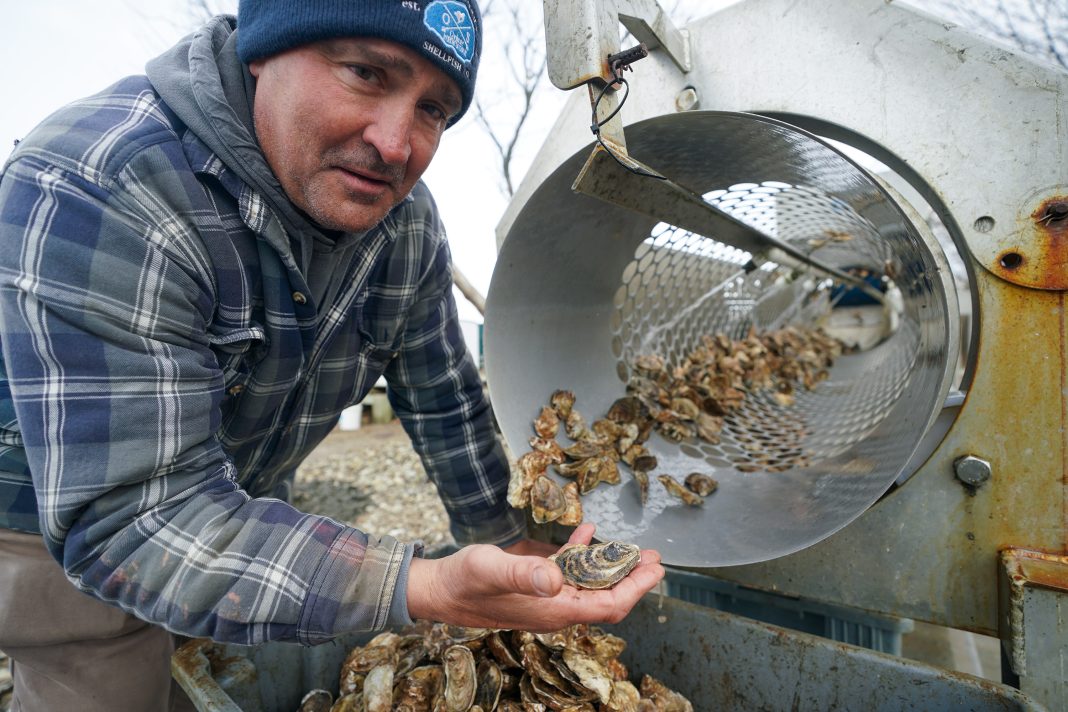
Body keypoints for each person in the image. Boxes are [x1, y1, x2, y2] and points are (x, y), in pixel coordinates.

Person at [0, 1, 665, 709]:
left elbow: (444, 399)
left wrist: (510, 555)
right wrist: (429, 585)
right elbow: (135, 521)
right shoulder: (103, 179)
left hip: (238, 500)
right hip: (50, 527)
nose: (396, 143)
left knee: (220, 673)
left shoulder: (402, 225)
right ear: (264, 49)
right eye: (366, 73)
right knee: (105, 673)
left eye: (434, 110)